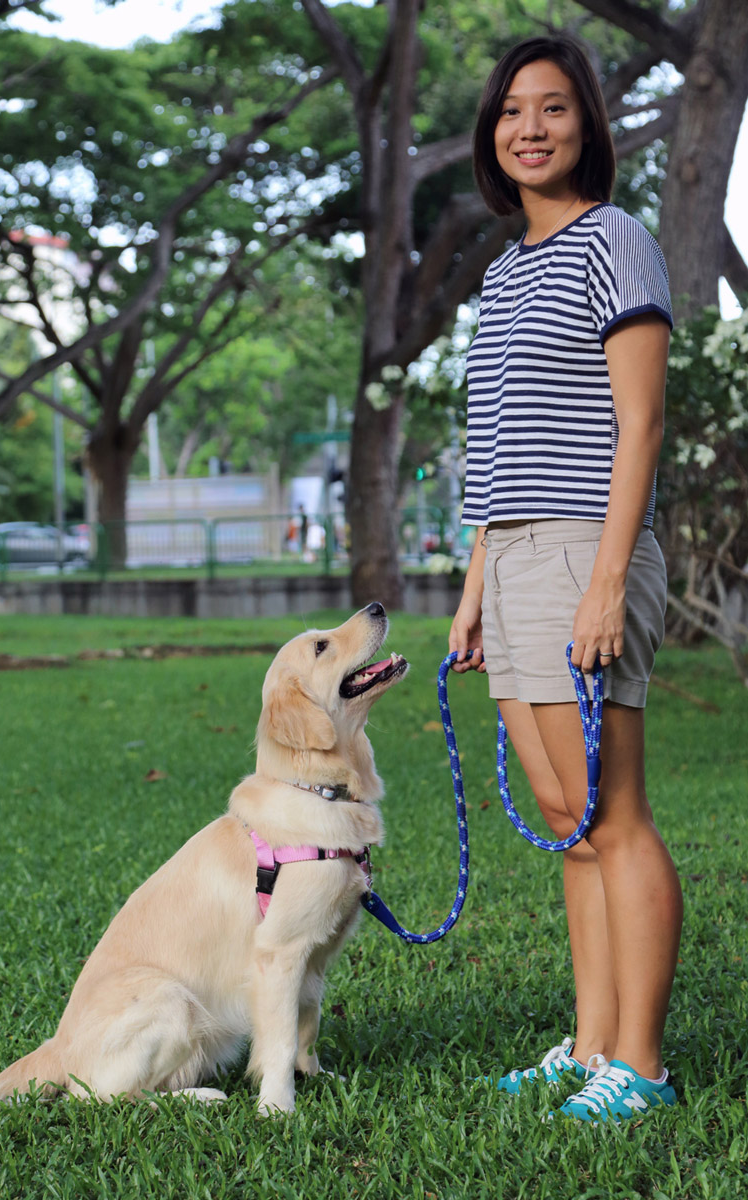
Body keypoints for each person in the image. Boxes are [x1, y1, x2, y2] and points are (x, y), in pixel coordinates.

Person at [449, 35, 683, 1123]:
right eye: (509, 111)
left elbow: (636, 425)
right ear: (491, 134)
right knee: (562, 811)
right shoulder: (503, 270)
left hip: (585, 543)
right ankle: (588, 1043)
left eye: (551, 109)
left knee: (610, 813)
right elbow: (493, 441)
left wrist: (600, 581)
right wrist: (472, 587)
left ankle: (637, 1063)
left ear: (586, 124)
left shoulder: (613, 241)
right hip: (513, 554)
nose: (528, 128)